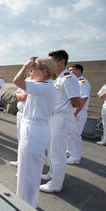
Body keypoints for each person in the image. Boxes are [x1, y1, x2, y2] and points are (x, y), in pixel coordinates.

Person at [13, 58, 56, 208]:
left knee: (30, 171)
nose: (30, 70)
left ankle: (27, 205)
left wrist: (25, 65)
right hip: (31, 128)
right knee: (26, 170)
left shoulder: (45, 87)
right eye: (30, 68)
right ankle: (24, 202)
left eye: (34, 68)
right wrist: (30, 69)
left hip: (35, 130)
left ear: (44, 72)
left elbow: (16, 81)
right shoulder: (41, 85)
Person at [40, 50, 81, 193]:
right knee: (51, 149)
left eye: (52, 61)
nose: (49, 64)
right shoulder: (56, 78)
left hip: (62, 118)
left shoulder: (68, 78)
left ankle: (56, 184)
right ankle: (52, 173)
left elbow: (76, 101)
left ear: (62, 62)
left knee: (58, 152)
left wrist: (69, 112)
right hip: (53, 117)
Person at [10, 61, 35, 167]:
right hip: (20, 114)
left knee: (28, 142)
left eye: (31, 67)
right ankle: (21, 160)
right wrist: (19, 95)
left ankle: (27, 164)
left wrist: (18, 95)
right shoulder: (27, 80)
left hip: (29, 116)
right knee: (20, 139)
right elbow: (15, 93)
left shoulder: (37, 82)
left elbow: (24, 96)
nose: (29, 70)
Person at [66, 64, 91, 164]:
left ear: (79, 71)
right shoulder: (74, 82)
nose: (70, 72)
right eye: (69, 70)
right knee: (70, 134)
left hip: (79, 112)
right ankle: (70, 152)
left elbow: (84, 99)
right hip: (73, 112)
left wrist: (76, 112)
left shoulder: (82, 82)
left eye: (72, 70)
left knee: (75, 134)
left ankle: (75, 157)